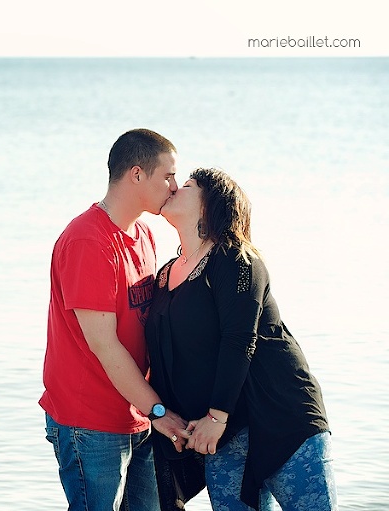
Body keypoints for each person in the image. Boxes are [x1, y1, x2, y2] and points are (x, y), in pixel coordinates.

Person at [145, 167, 337, 511]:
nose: (173, 187)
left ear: (209, 205)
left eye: (186, 184)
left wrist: (216, 417)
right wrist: (161, 414)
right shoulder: (164, 275)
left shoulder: (236, 259)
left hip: (281, 417)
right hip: (219, 432)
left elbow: (238, 339)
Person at [39, 128, 192, 511]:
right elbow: (105, 346)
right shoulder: (88, 241)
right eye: (168, 176)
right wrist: (157, 411)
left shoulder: (142, 234)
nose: (175, 187)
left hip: (137, 414)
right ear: (137, 175)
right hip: (89, 423)